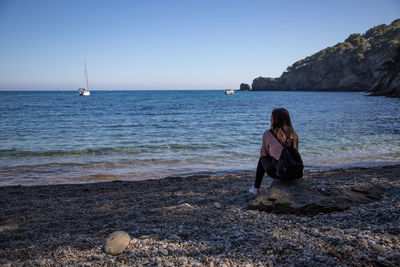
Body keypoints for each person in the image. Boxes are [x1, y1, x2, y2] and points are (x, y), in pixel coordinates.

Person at [249, 108, 299, 194]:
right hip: (295, 172)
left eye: (271, 116)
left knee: (262, 159)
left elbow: (264, 154)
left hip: (280, 173)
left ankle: (256, 188)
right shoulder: (293, 134)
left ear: (275, 119)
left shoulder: (268, 133)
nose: (269, 119)